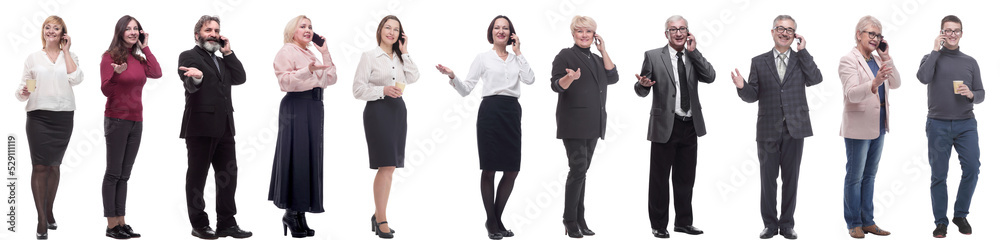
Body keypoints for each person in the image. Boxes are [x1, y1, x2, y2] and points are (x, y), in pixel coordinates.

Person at [434, 15, 534, 240]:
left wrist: (519, 52)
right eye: (497, 28)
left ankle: (495, 219)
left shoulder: (517, 58)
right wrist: (452, 76)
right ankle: (492, 223)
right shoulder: (482, 58)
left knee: (512, 170)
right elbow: (466, 89)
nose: (501, 31)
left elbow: (530, 79)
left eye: (505, 28)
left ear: (511, 34)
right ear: (491, 32)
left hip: (511, 111)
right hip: (490, 112)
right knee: (489, 169)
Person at [730, 15, 822, 240]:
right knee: (767, 180)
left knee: (791, 178)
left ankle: (787, 224)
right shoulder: (759, 61)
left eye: (790, 30)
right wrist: (742, 87)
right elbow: (753, 95)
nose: (785, 32)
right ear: (772, 32)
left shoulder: (801, 59)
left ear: (795, 34)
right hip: (767, 130)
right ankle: (770, 225)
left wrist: (804, 52)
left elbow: (816, 79)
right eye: (780, 28)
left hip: (795, 128)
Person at [634, 15, 715, 239]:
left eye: (682, 29)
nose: (678, 33)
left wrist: (694, 52)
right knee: (659, 178)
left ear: (688, 32)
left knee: (685, 178)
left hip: (690, 125)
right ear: (666, 34)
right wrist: (642, 85)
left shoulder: (692, 55)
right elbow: (642, 90)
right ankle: (659, 224)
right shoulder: (652, 56)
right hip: (664, 126)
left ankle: (683, 223)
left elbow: (710, 77)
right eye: (673, 30)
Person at [177, 15, 252, 239]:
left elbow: (240, 78)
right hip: (200, 125)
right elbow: (189, 83)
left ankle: (227, 223)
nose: (213, 33)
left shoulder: (221, 59)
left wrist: (228, 52)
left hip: (226, 126)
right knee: (197, 176)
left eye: (217, 30)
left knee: (228, 175)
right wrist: (197, 78)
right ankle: (199, 224)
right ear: (197, 34)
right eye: (208, 29)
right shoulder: (189, 55)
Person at [550, 15, 619, 239]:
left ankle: (579, 218)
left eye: (588, 31)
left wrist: (604, 50)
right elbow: (555, 86)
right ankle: (570, 220)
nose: (584, 35)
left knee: (582, 172)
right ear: (573, 34)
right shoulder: (565, 55)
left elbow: (613, 77)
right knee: (578, 171)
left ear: (594, 35)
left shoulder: (598, 59)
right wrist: (569, 78)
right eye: (580, 31)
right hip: (574, 123)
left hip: (594, 123)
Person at [915, 15, 984, 238]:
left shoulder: (970, 61)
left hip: (966, 124)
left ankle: (960, 214)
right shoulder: (930, 57)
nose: (952, 34)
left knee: (972, 168)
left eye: (956, 30)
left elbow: (981, 93)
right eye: (948, 30)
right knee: (939, 175)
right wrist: (935, 50)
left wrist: (972, 94)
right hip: (938, 124)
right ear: (941, 33)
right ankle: (940, 222)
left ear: (961, 33)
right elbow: (923, 78)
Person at [268, 15, 336, 238]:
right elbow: (284, 82)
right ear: (292, 30)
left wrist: (324, 52)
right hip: (296, 107)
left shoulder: (311, 53)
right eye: (303, 26)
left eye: (311, 27)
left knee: (308, 158)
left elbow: (332, 78)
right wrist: (308, 70)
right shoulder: (286, 51)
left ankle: (300, 213)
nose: (308, 30)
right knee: (296, 156)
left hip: (315, 107)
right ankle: (291, 212)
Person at [14, 15, 81, 240]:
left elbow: (77, 78)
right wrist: (23, 92)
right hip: (38, 116)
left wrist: (67, 51)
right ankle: (42, 219)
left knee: (54, 166)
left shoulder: (69, 56)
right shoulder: (33, 58)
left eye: (56, 28)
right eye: (47, 27)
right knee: (40, 166)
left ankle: (50, 209)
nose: (50, 31)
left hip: (63, 116)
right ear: (43, 31)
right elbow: (25, 88)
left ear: (63, 33)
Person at [353, 14, 418, 239]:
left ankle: (377, 214)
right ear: (380, 30)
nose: (391, 32)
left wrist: (406, 51)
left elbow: (414, 77)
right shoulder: (369, 56)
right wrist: (382, 90)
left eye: (396, 29)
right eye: (387, 27)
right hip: (378, 113)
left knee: (391, 166)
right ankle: (381, 219)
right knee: (386, 165)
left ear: (400, 35)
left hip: (398, 112)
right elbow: (357, 90)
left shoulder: (401, 58)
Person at [837, 15, 899, 239]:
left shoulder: (878, 59)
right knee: (855, 177)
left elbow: (896, 83)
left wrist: (887, 57)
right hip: (858, 126)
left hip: (879, 124)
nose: (875, 38)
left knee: (870, 176)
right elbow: (851, 94)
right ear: (858, 34)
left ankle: (868, 221)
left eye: (878, 35)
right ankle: (854, 223)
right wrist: (873, 83)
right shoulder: (848, 60)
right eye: (871, 34)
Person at [99, 14, 161, 240]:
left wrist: (147, 48)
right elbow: (106, 90)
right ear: (120, 32)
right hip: (116, 120)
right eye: (129, 29)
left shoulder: (139, 58)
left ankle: (122, 222)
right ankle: (111, 225)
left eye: (137, 29)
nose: (133, 32)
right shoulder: (109, 57)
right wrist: (115, 74)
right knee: (113, 173)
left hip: (137, 120)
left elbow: (157, 73)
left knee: (125, 175)